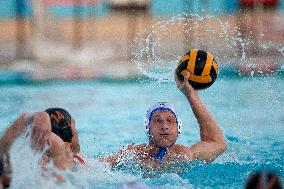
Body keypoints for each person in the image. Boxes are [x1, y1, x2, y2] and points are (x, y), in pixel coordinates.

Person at [101, 71, 227, 166]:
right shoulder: (132, 156)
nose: (164, 126)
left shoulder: (185, 155)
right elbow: (92, 167)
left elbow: (217, 143)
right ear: (147, 127)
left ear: (179, 127)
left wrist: (191, 94)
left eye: (170, 121)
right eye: (157, 120)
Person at [0, 108, 85, 185]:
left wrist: (40, 116)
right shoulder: (59, 158)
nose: (77, 132)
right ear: (66, 145)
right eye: (74, 126)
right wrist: (41, 116)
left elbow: (5, 142)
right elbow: (54, 142)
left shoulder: (27, 163)